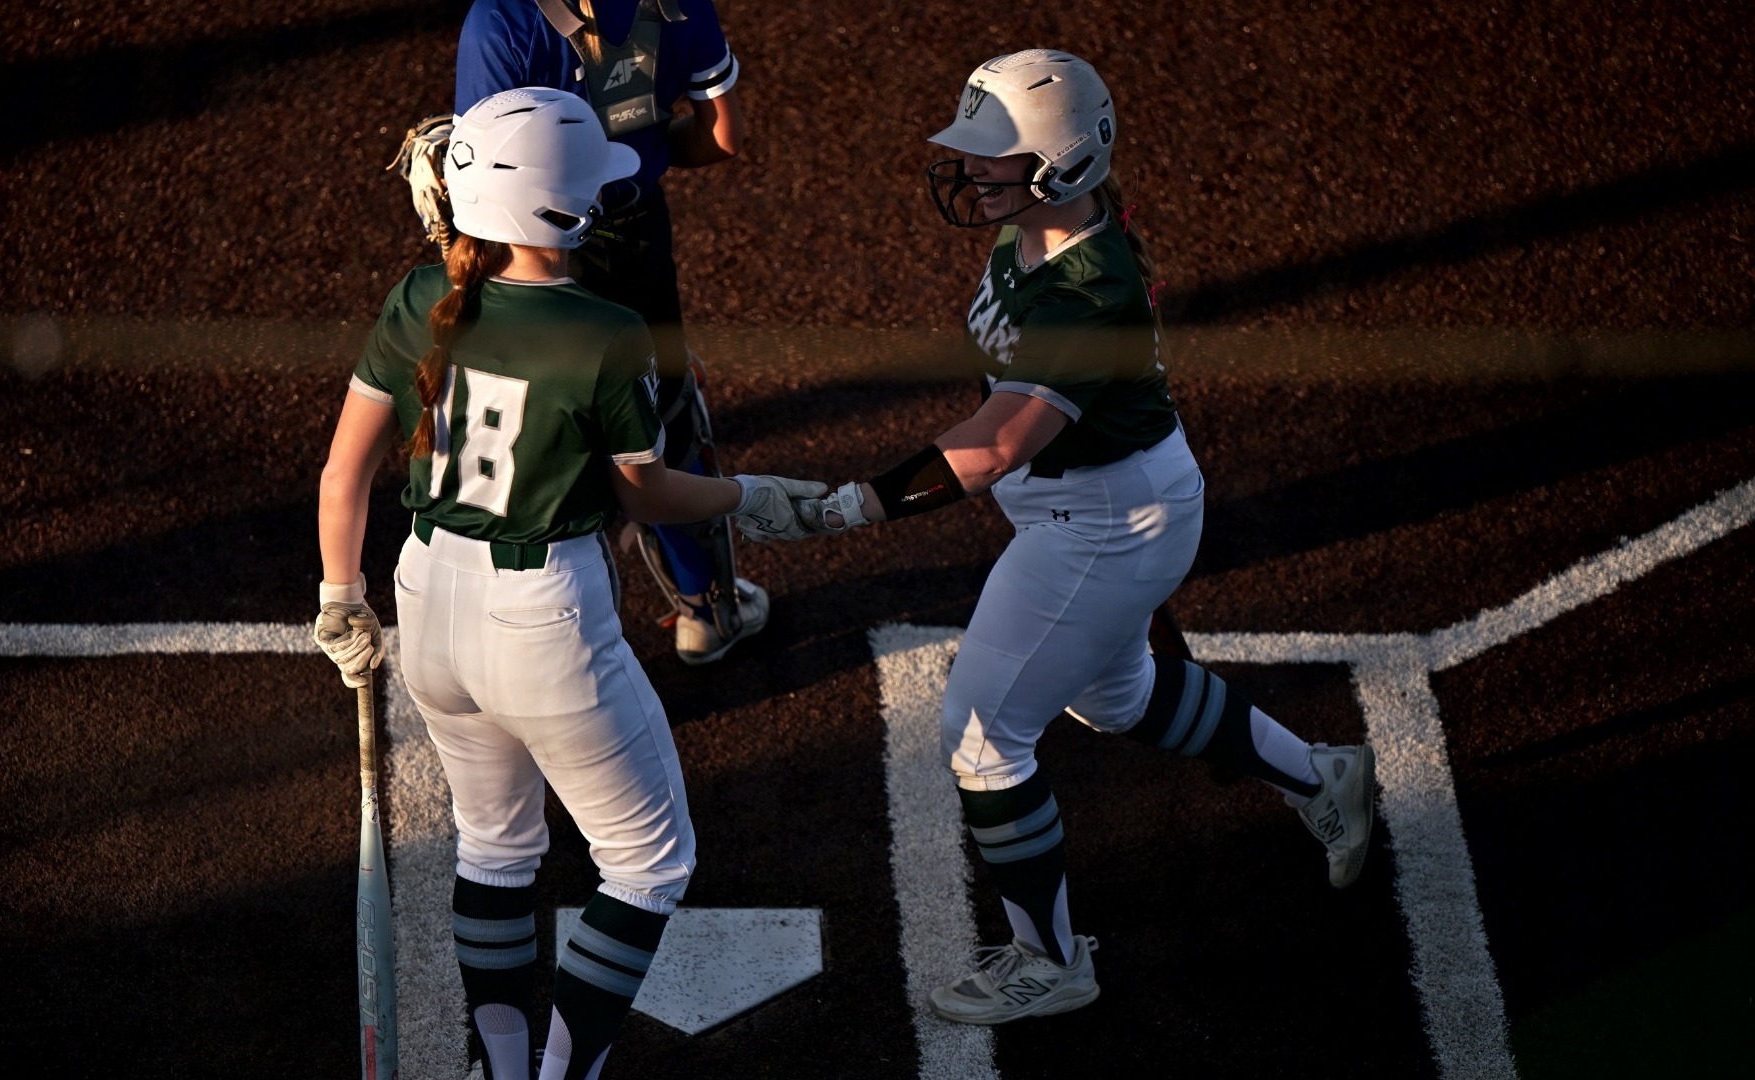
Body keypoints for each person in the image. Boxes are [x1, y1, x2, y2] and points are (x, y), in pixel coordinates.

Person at [780, 50, 1379, 1025]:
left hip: (1104, 521)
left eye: (994, 152)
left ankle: (1050, 961)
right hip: (1100, 508)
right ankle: (1321, 775)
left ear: (1060, 165)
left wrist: (844, 507)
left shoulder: (1085, 293)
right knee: (1118, 696)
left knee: (981, 737)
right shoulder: (1031, 231)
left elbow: (996, 445)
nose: (970, 167)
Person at [314, 88, 818, 1080]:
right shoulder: (604, 329)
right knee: (648, 863)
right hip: (543, 619)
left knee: (494, 849)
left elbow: (343, 477)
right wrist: (749, 496)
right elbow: (648, 495)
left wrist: (340, 597)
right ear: (567, 207)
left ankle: (507, 1071)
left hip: (425, 602)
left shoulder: (419, 298)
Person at [397, 0, 755, 666]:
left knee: (544, 433)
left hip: (532, 249)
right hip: (639, 246)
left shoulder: (501, 19)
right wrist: (639, 156)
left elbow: (490, 173)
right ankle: (705, 608)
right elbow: (722, 135)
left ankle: (540, 626)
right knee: (663, 421)